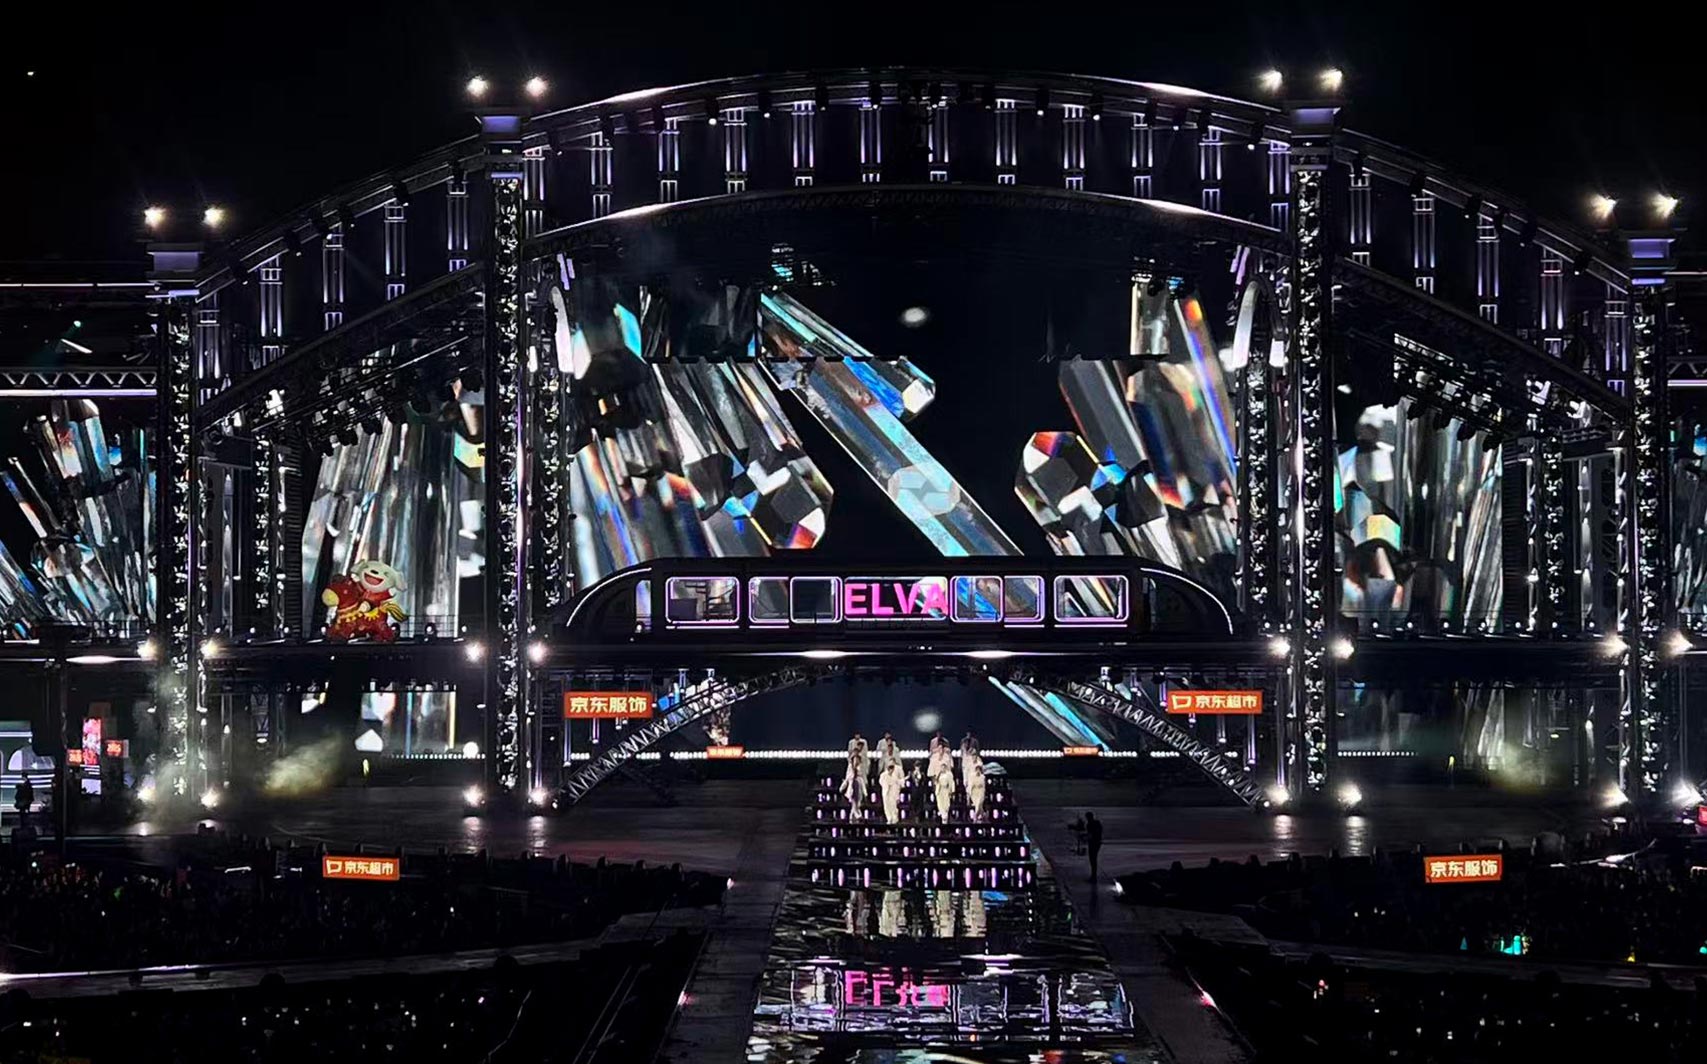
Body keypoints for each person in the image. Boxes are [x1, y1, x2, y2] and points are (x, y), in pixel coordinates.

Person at [840, 753, 867, 819]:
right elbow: (847, 779)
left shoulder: (860, 769)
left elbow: (862, 781)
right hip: (852, 787)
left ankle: (852, 817)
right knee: (854, 802)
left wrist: (865, 793)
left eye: (857, 760)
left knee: (857, 803)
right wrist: (842, 788)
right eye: (855, 760)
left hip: (858, 786)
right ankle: (858, 816)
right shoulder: (850, 769)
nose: (856, 761)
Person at [879, 758, 906, 825]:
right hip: (886, 793)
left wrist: (897, 796)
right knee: (886, 806)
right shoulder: (883, 775)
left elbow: (899, 782)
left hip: (893, 793)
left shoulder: (895, 777)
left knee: (893, 806)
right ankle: (889, 818)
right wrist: (886, 785)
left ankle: (894, 818)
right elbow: (881, 782)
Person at [964, 754, 987, 821]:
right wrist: (969, 795)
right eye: (977, 770)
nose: (978, 771)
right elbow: (971, 786)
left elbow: (983, 786)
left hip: (980, 792)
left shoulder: (983, 777)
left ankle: (975, 817)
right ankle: (983, 814)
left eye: (979, 770)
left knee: (978, 804)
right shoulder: (972, 776)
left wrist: (983, 792)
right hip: (974, 792)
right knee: (978, 805)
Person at [1085, 810, 1104, 883]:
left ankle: (1093, 877)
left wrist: (1084, 837)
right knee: (1094, 859)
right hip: (1098, 843)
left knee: (1092, 860)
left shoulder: (1089, 825)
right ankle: (1094, 876)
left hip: (1092, 844)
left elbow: (1090, 835)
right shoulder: (1097, 823)